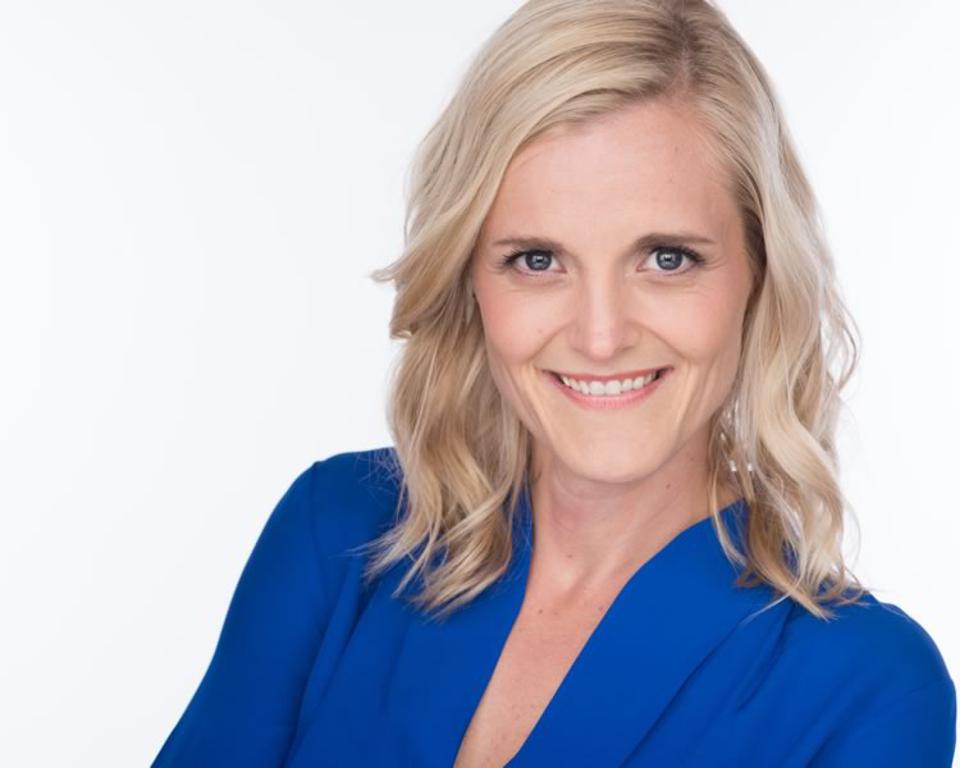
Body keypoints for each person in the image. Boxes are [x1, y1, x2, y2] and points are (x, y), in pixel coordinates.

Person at [152, 1, 956, 765]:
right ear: (469, 279)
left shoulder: (868, 689)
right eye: (537, 261)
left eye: (666, 258)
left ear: (759, 275)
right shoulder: (340, 538)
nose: (600, 336)